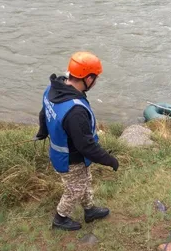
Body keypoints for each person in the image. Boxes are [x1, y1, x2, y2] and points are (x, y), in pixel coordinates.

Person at [35, 51, 119, 231]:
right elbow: (86, 146)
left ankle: (90, 210)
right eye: (95, 78)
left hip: (65, 151)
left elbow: (44, 112)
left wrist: (42, 131)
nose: (95, 82)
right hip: (70, 158)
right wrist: (109, 160)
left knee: (85, 180)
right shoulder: (75, 111)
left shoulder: (53, 89)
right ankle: (60, 218)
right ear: (88, 78)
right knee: (75, 188)